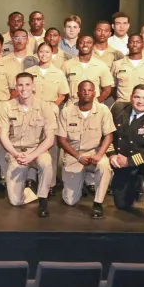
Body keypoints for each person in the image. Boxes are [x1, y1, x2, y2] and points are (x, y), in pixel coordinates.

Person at [0, 72, 57, 217]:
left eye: (27, 84)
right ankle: (31, 190)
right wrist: (15, 154)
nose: (24, 88)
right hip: (16, 152)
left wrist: (31, 156)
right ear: (16, 87)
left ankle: (43, 199)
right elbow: (3, 136)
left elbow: (50, 139)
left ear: (33, 87)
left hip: (37, 151)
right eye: (20, 85)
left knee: (46, 163)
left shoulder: (45, 107)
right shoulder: (7, 107)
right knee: (15, 201)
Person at [108, 84, 144, 223]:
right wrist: (111, 154)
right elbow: (107, 135)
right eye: (137, 97)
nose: (140, 101)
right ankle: (134, 185)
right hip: (119, 160)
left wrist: (129, 161)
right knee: (122, 205)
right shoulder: (118, 110)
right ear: (131, 97)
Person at [56, 81, 115, 219]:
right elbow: (62, 140)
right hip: (74, 155)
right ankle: (80, 181)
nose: (86, 93)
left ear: (94, 93)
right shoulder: (66, 111)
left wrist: (100, 154)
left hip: (95, 152)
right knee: (70, 201)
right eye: (83, 90)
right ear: (78, 94)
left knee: (104, 165)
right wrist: (78, 157)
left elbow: (109, 135)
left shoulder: (103, 110)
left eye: (89, 90)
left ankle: (98, 203)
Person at [111, 33, 144, 104]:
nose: (135, 45)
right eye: (132, 42)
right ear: (127, 45)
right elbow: (112, 87)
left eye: (138, 42)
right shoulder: (117, 64)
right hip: (122, 105)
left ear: (143, 45)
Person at [62, 34, 114, 103]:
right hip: (72, 105)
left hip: (94, 107)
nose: (85, 45)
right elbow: (60, 89)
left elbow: (107, 90)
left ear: (93, 46)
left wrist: (95, 104)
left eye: (89, 42)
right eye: (81, 42)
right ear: (77, 46)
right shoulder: (67, 65)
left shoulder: (101, 65)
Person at [25, 42, 70, 107]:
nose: (44, 54)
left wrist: (53, 107)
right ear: (37, 53)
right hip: (32, 108)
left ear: (52, 53)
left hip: (51, 108)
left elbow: (62, 95)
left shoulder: (59, 73)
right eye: (41, 52)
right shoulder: (28, 72)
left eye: (47, 52)